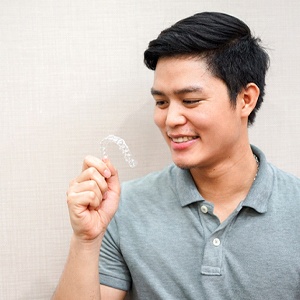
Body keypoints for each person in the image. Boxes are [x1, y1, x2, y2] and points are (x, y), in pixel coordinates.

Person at [52, 12, 300, 300]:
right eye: (161, 102)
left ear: (246, 99)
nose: (170, 119)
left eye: (190, 101)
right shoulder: (121, 207)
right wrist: (86, 241)